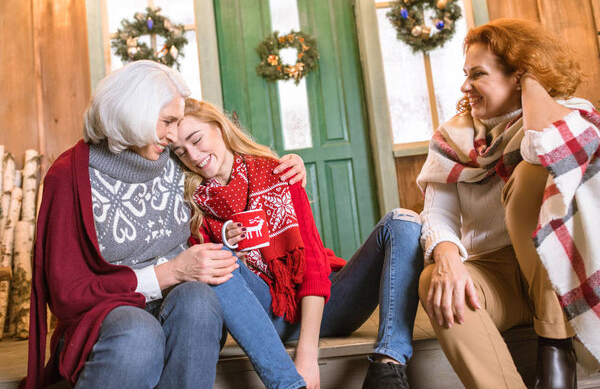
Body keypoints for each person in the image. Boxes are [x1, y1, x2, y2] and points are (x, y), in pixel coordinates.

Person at [24, 60, 309, 389]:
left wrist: (286, 165)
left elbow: (232, 169)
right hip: (108, 314)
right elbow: (66, 294)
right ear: (136, 113)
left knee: (199, 302)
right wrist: (170, 272)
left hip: (182, 303)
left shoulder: (174, 158)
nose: (175, 136)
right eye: (167, 122)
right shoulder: (69, 176)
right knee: (138, 332)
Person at [170, 98, 424, 389]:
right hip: (263, 318)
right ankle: (288, 386)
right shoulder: (192, 207)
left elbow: (314, 266)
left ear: (219, 127)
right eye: (181, 152)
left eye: (196, 139)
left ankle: (388, 368)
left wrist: (307, 354)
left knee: (402, 222)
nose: (193, 155)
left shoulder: (279, 172)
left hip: (327, 307)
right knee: (213, 264)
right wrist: (228, 247)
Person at [417, 18, 600, 389]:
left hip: (557, 270)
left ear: (518, 75)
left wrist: (530, 83)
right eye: (465, 74)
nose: (465, 86)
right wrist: (448, 258)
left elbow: (543, 146)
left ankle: (555, 346)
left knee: (533, 169)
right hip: (496, 272)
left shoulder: (570, 113)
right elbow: (437, 212)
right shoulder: (453, 137)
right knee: (434, 281)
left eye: (478, 74)